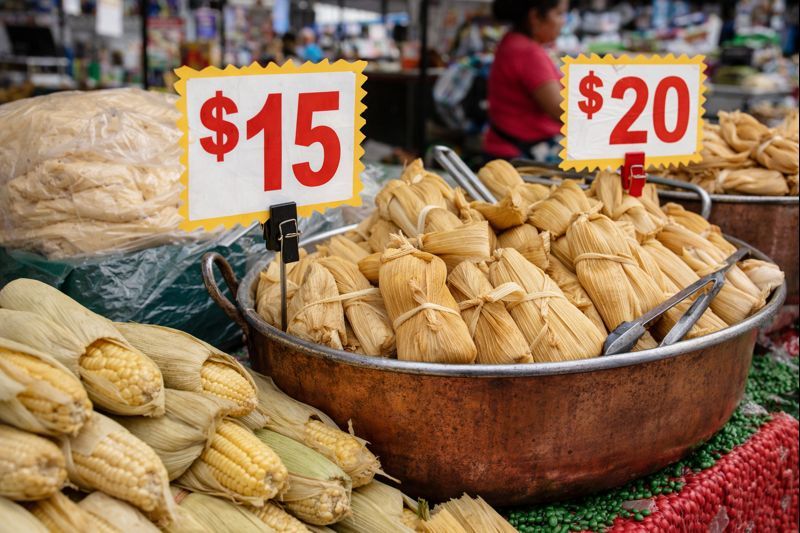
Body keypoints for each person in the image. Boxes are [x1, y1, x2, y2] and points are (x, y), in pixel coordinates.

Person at [484, 0, 568, 160]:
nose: (563, 22)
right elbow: (560, 108)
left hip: (507, 148)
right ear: (535, 16)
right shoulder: (527, 52)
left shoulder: (512, 41)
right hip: (518, 157)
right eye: (558, 14)